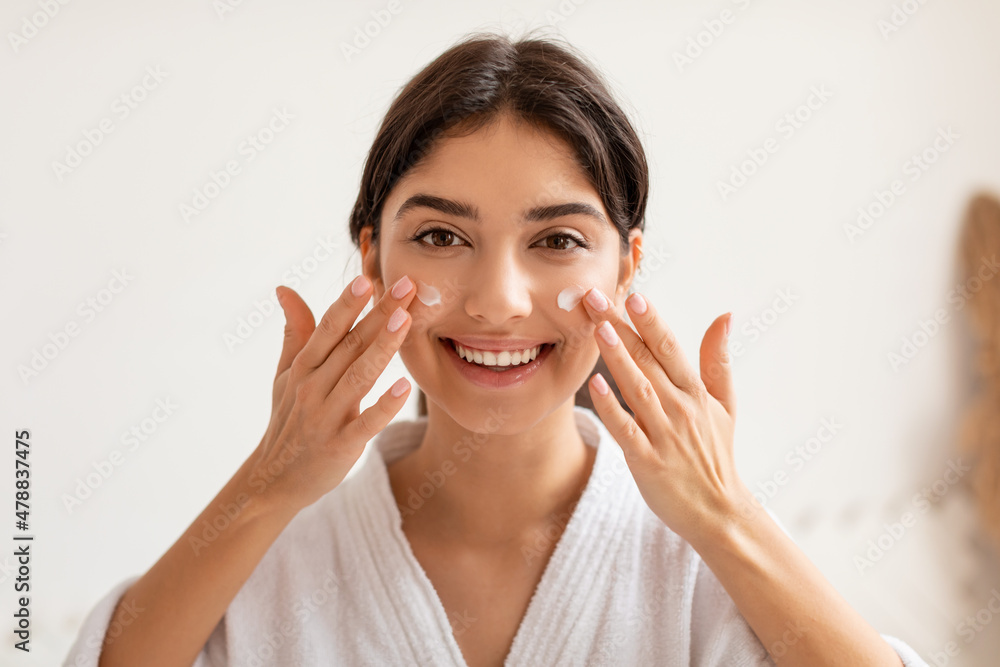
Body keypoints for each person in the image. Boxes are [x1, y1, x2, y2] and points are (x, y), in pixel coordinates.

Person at [65, 31, 929, 667]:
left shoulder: (706, 556)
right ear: (370, 254)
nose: (498, 302)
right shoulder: (281, 563)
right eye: (441, 236)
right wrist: (265, 483)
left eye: (556, 241)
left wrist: (726, 516)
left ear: (627, 266)